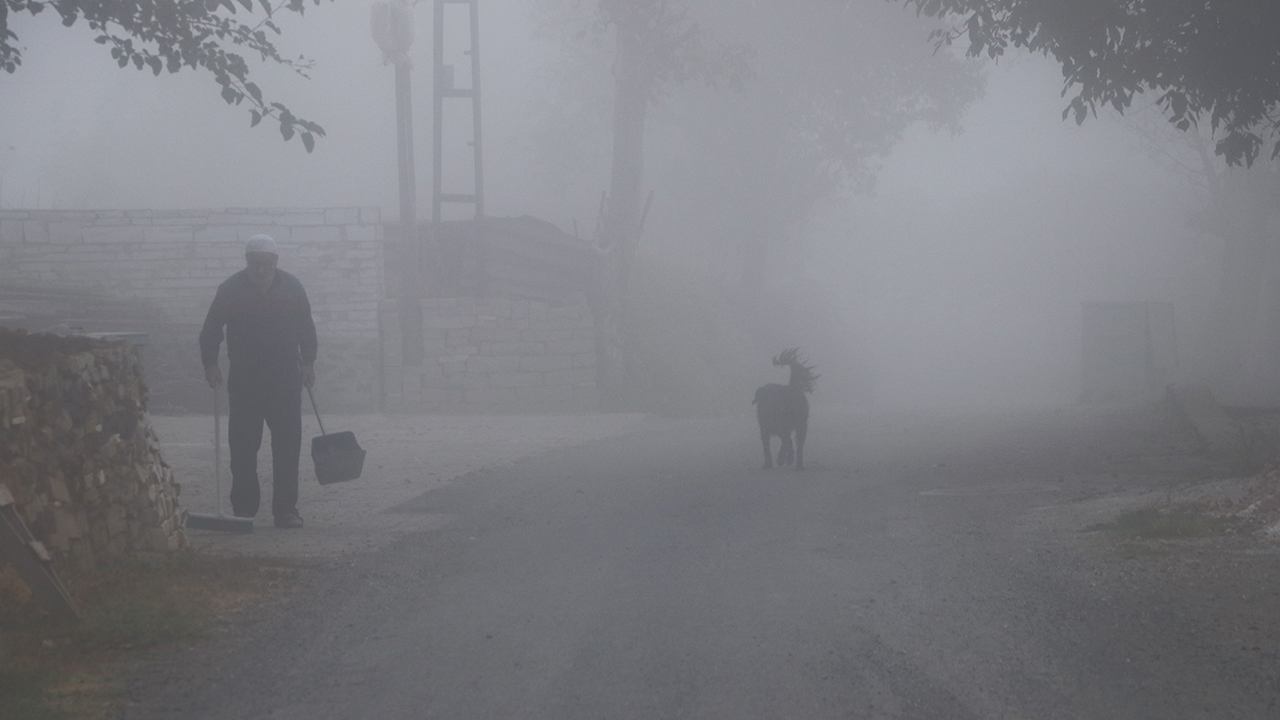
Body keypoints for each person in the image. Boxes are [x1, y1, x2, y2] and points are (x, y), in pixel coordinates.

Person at [199, 235, 317, 529]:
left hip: (285, 380)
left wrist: (309, 361)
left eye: (266, 264)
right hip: (245, 381)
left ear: (276, 262)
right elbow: (211, 328)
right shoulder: (230, 290)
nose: (260, 270)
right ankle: (243, 510)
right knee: (242, 448)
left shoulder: (293, 288)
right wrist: (210, 363)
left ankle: (287, 511)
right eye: (255, 264)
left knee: (288, 447)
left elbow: (306, 327)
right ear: (247, 263)